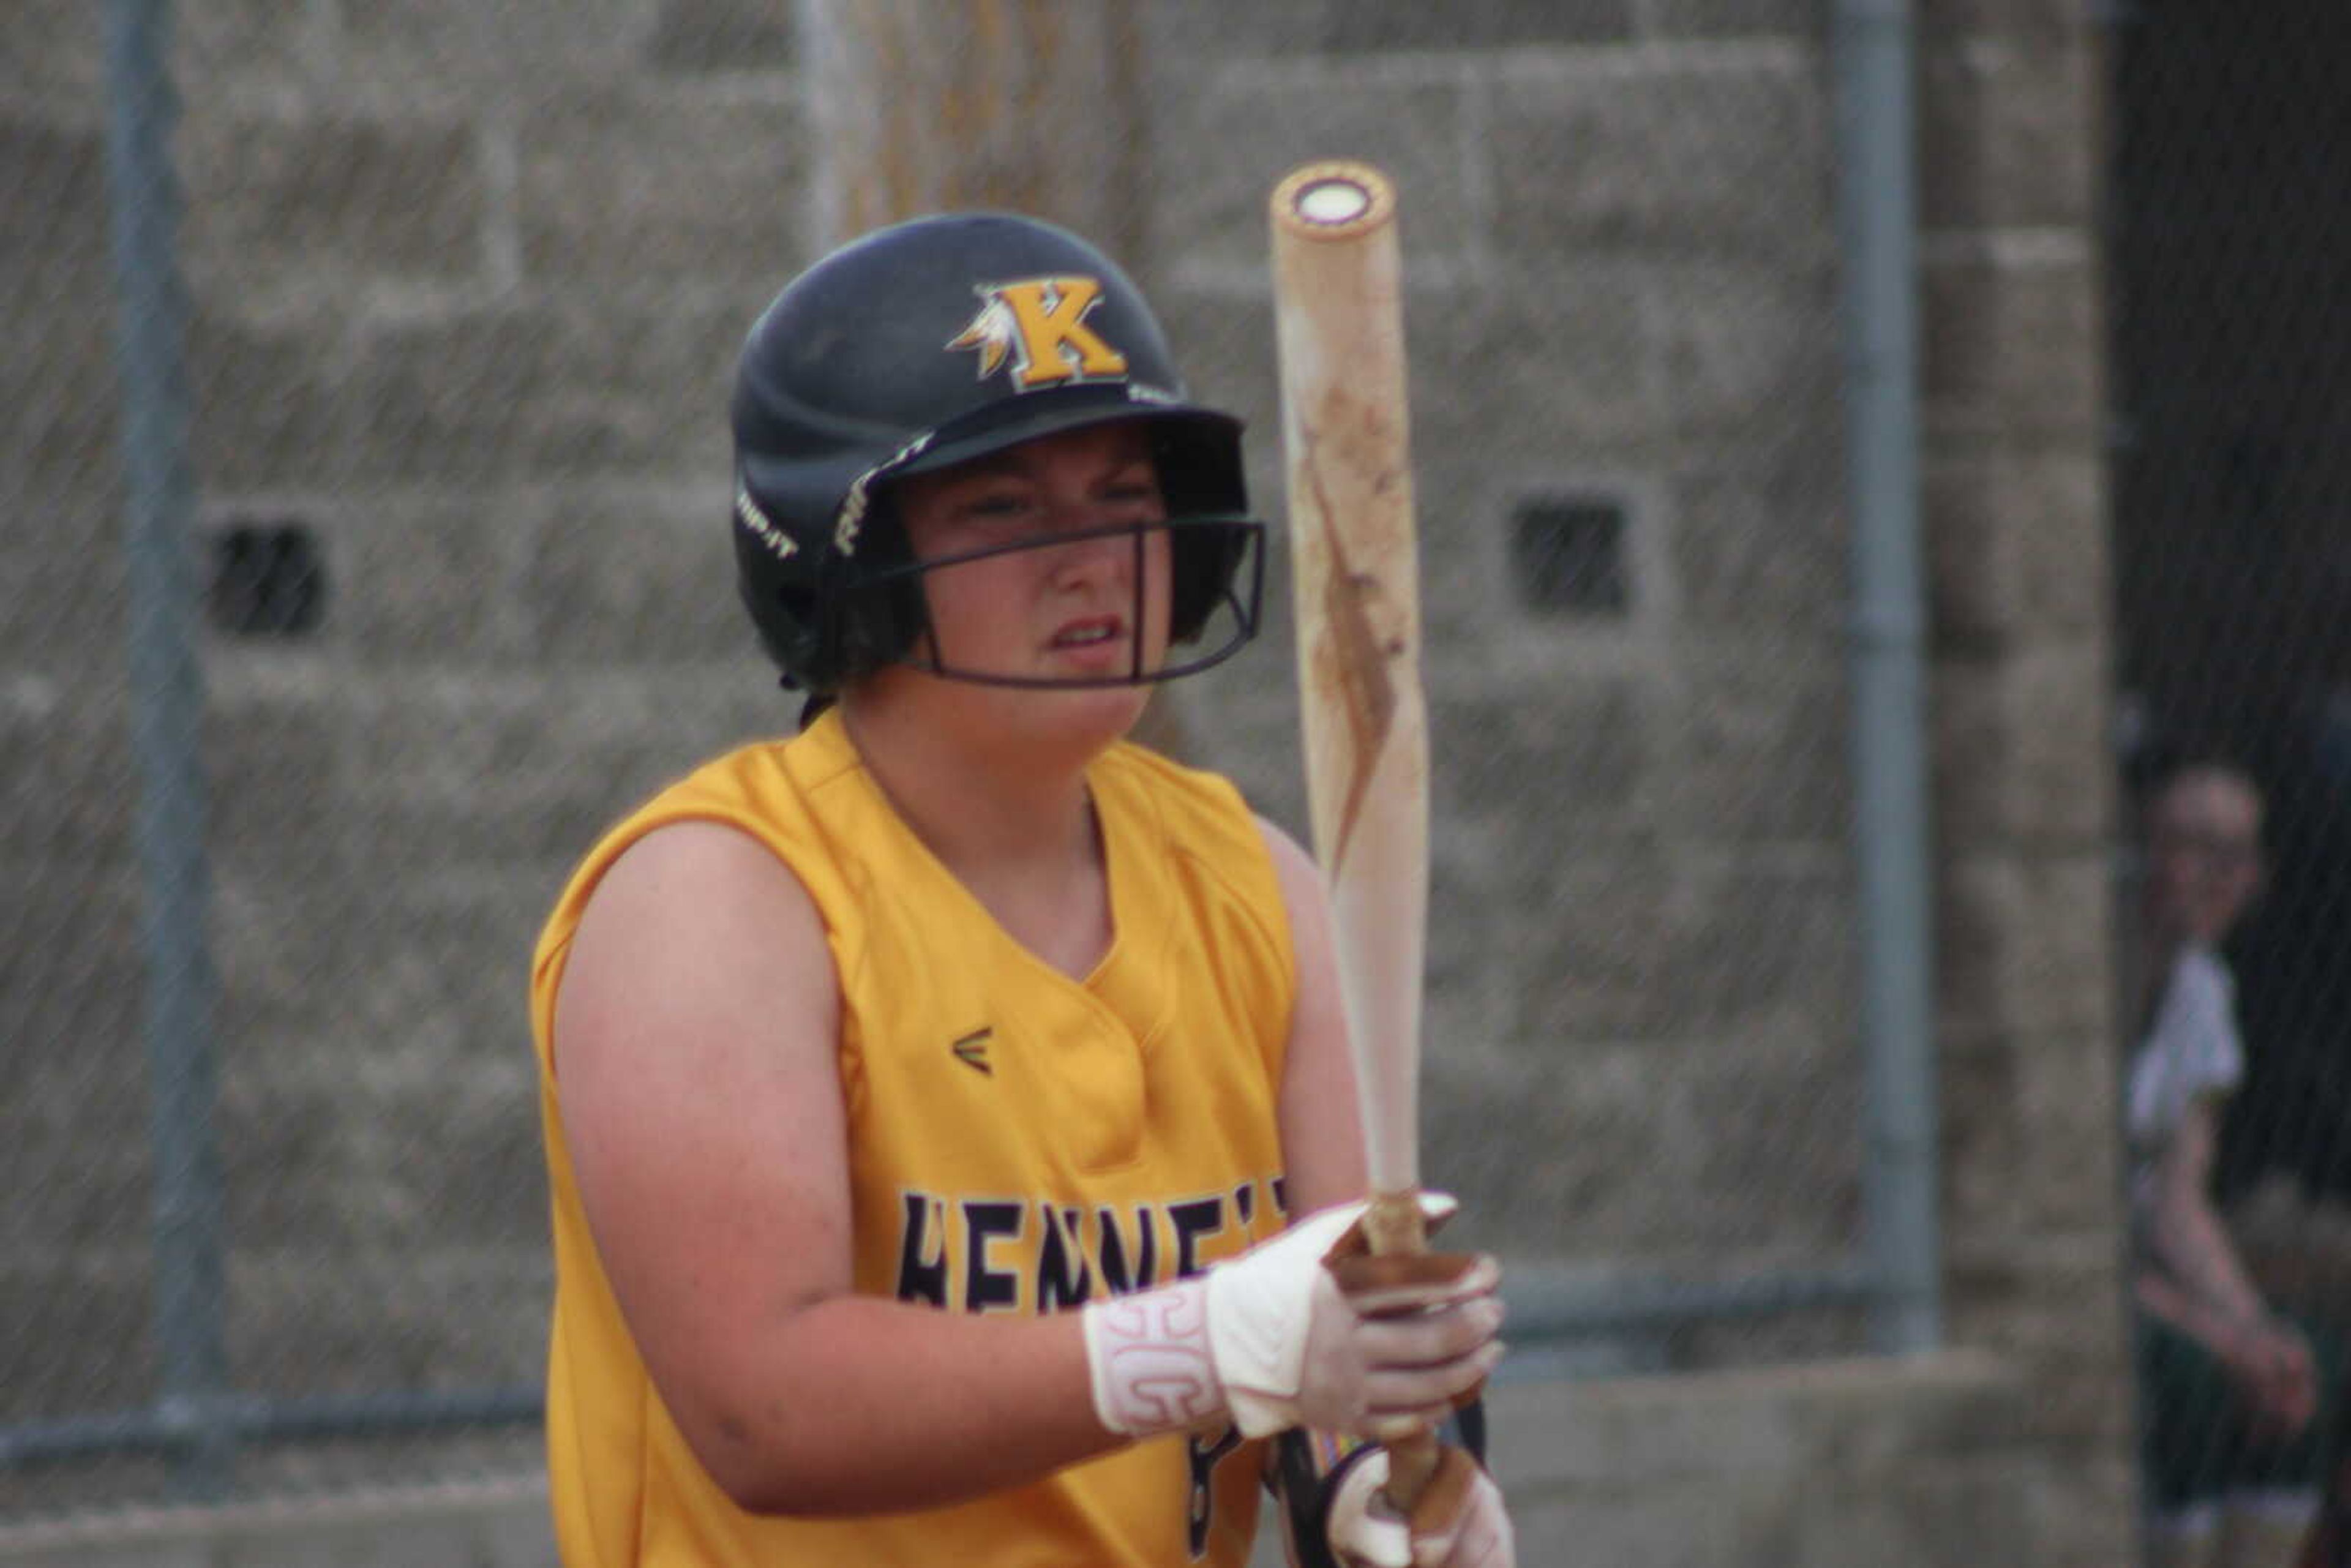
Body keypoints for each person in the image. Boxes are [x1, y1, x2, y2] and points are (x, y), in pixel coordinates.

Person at [527, 212, 1515, 1567]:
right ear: (846, 556)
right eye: (1005, 507)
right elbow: (767, 1411)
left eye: (1126, 497)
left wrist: (1382, 1488)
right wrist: (1214, 1340)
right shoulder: (722, 900)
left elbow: (1344, 1310)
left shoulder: (1253, 883)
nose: (1093, 555)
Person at [2127, 763, 2339, 1568]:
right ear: (2138, 848)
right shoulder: (2087, 980)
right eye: (2193, 844)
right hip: (2104, 1280)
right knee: (2185, 1378)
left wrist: (2252, 1329)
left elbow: (2179, 1199)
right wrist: (2215, 1337)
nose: (2219, 874)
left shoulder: (2201, 987)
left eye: (2238, 853)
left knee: (2299, 1367)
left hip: (2155, 1270)